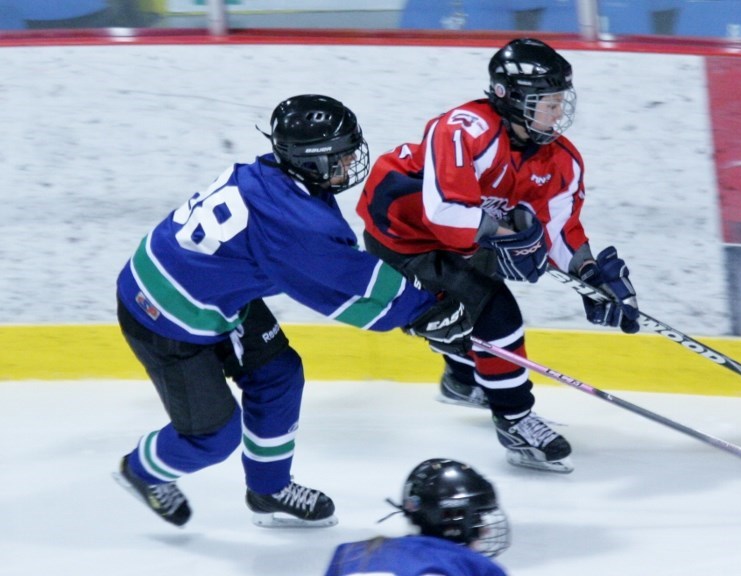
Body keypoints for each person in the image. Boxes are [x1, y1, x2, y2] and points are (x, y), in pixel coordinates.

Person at [112, 94, 473, 528]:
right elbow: (343, 286)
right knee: (213, 437)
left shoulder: (279, 177)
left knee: (278, 373)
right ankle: (141, 470)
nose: (349, 163)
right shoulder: (295, 222)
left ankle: (268, 489)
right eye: (339, 156)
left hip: (212, 292)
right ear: (310, 159)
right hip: (161, 314)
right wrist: (421, 311)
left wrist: (419, 309)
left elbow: (337, 267)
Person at [356, 38, 640, 474]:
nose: (557, 111)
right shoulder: (464, 128)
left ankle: (464, 379)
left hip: (466, 237)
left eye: (560, 100)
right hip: (403, 234)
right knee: (496, 314)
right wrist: (509, 239)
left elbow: (560, 231)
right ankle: (515, 422)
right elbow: (445, 212)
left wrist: (590, 275)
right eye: (546, 102)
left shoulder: (562, 162)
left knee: (466, 316)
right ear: (510, 97)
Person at [324, 458, 509, 575]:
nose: (486, 529)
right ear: (454, 517)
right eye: (478, 517)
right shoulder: (476, 568)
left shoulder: (349, 554)